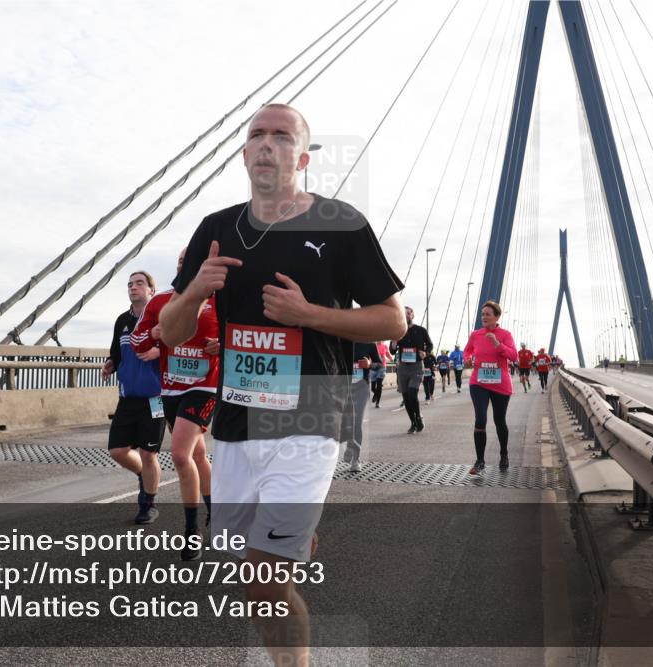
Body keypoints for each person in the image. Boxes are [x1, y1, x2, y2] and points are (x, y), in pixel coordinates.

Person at [158, 103, 405, 664]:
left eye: (281, 136)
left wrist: (308, 314)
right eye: (256, 136)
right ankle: (294, 538)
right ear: (244, 154)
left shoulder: (341, 224)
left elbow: (393, 321)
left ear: (303, 156)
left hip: (310, 421)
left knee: (266, 583)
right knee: (250, 579)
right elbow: (172, 333)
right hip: (237, 424)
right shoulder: (216, 229)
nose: (266, 144)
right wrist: (195, 290)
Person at [130, 250, 219, 560]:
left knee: (180, 454)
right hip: (171, 389)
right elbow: (138, 340)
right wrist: (152, 334)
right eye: (180, 261)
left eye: (190, 259)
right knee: (196, 453)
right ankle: (216, 513)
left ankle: (191, 530)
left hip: (205, 386)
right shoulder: (160, 301)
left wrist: (220, 344)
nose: (184, 264)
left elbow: (240, 334)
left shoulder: (219, 299)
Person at [102, 271, 166, 525]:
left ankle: (148, 503)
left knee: (149, 453)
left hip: (155, 397)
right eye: (130, 284)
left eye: (140, 283)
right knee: (117, 451)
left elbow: (178, 346)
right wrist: (110, 364)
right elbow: (116, 352)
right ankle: (144, 475)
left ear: (152, 289)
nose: (133, 287)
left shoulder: (162, 318)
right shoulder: (122, 321)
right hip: (127, 397)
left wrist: (158, 351)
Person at [463, 300, 517, 474]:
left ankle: (504, 454)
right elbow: (467, 350)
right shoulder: (476, 334)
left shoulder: (505, 334)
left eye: (487, 314)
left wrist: (497, 344)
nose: (484, 317)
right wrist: (468, 358)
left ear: (497, 317)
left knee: (499, 421)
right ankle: (479, 461)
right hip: (479, 383)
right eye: (482, 314)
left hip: (500, 383)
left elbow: (514, 356)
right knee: (480, 419)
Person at [390, 306, 433, 434]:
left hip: (416, 367)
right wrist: (393, 341)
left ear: (412, 315)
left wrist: (425, 353)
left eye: (408, 313)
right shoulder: (397, 331)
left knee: (412, 393)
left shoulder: (421, 330)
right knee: (406, 396)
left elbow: (430, 345)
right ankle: (413, 422)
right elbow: (392, 350)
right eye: (404, 313)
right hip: (403, 367)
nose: (406, 315)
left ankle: (418, 416)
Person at [343, 341, 382, 472]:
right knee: (345, 420)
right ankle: (349, 442)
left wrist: (370, 364)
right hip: (343, 388)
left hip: (361, 387)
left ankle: (356, 458)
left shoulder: (369, 342)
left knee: (357, 421)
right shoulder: (341, 339)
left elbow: (379, 364)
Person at [370, 341, 391, 408]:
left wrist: (391, 359)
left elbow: (387, 354)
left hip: (382, 367)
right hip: (373, 368)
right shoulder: (372, 346)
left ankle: (377, 403)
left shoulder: (384, 346)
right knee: (373, 388)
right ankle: (376, 394)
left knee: (379, 384)